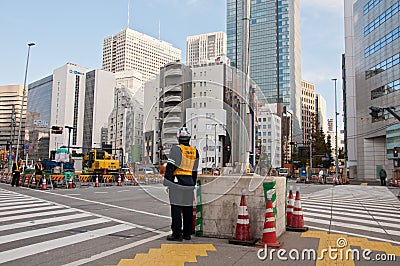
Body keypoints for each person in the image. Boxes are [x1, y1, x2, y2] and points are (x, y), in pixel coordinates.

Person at [163, 127, 199, 241]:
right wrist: (192, 182)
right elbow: (195, 170)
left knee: (176, 208)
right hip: (189, 182)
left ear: (178, 138)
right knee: (188, 208)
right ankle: (187, 233)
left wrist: (167, 181)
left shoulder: (176, 149)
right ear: (188, 138)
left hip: (177, 182)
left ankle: (177, 234)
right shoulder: (194, 151)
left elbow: (170, 166)